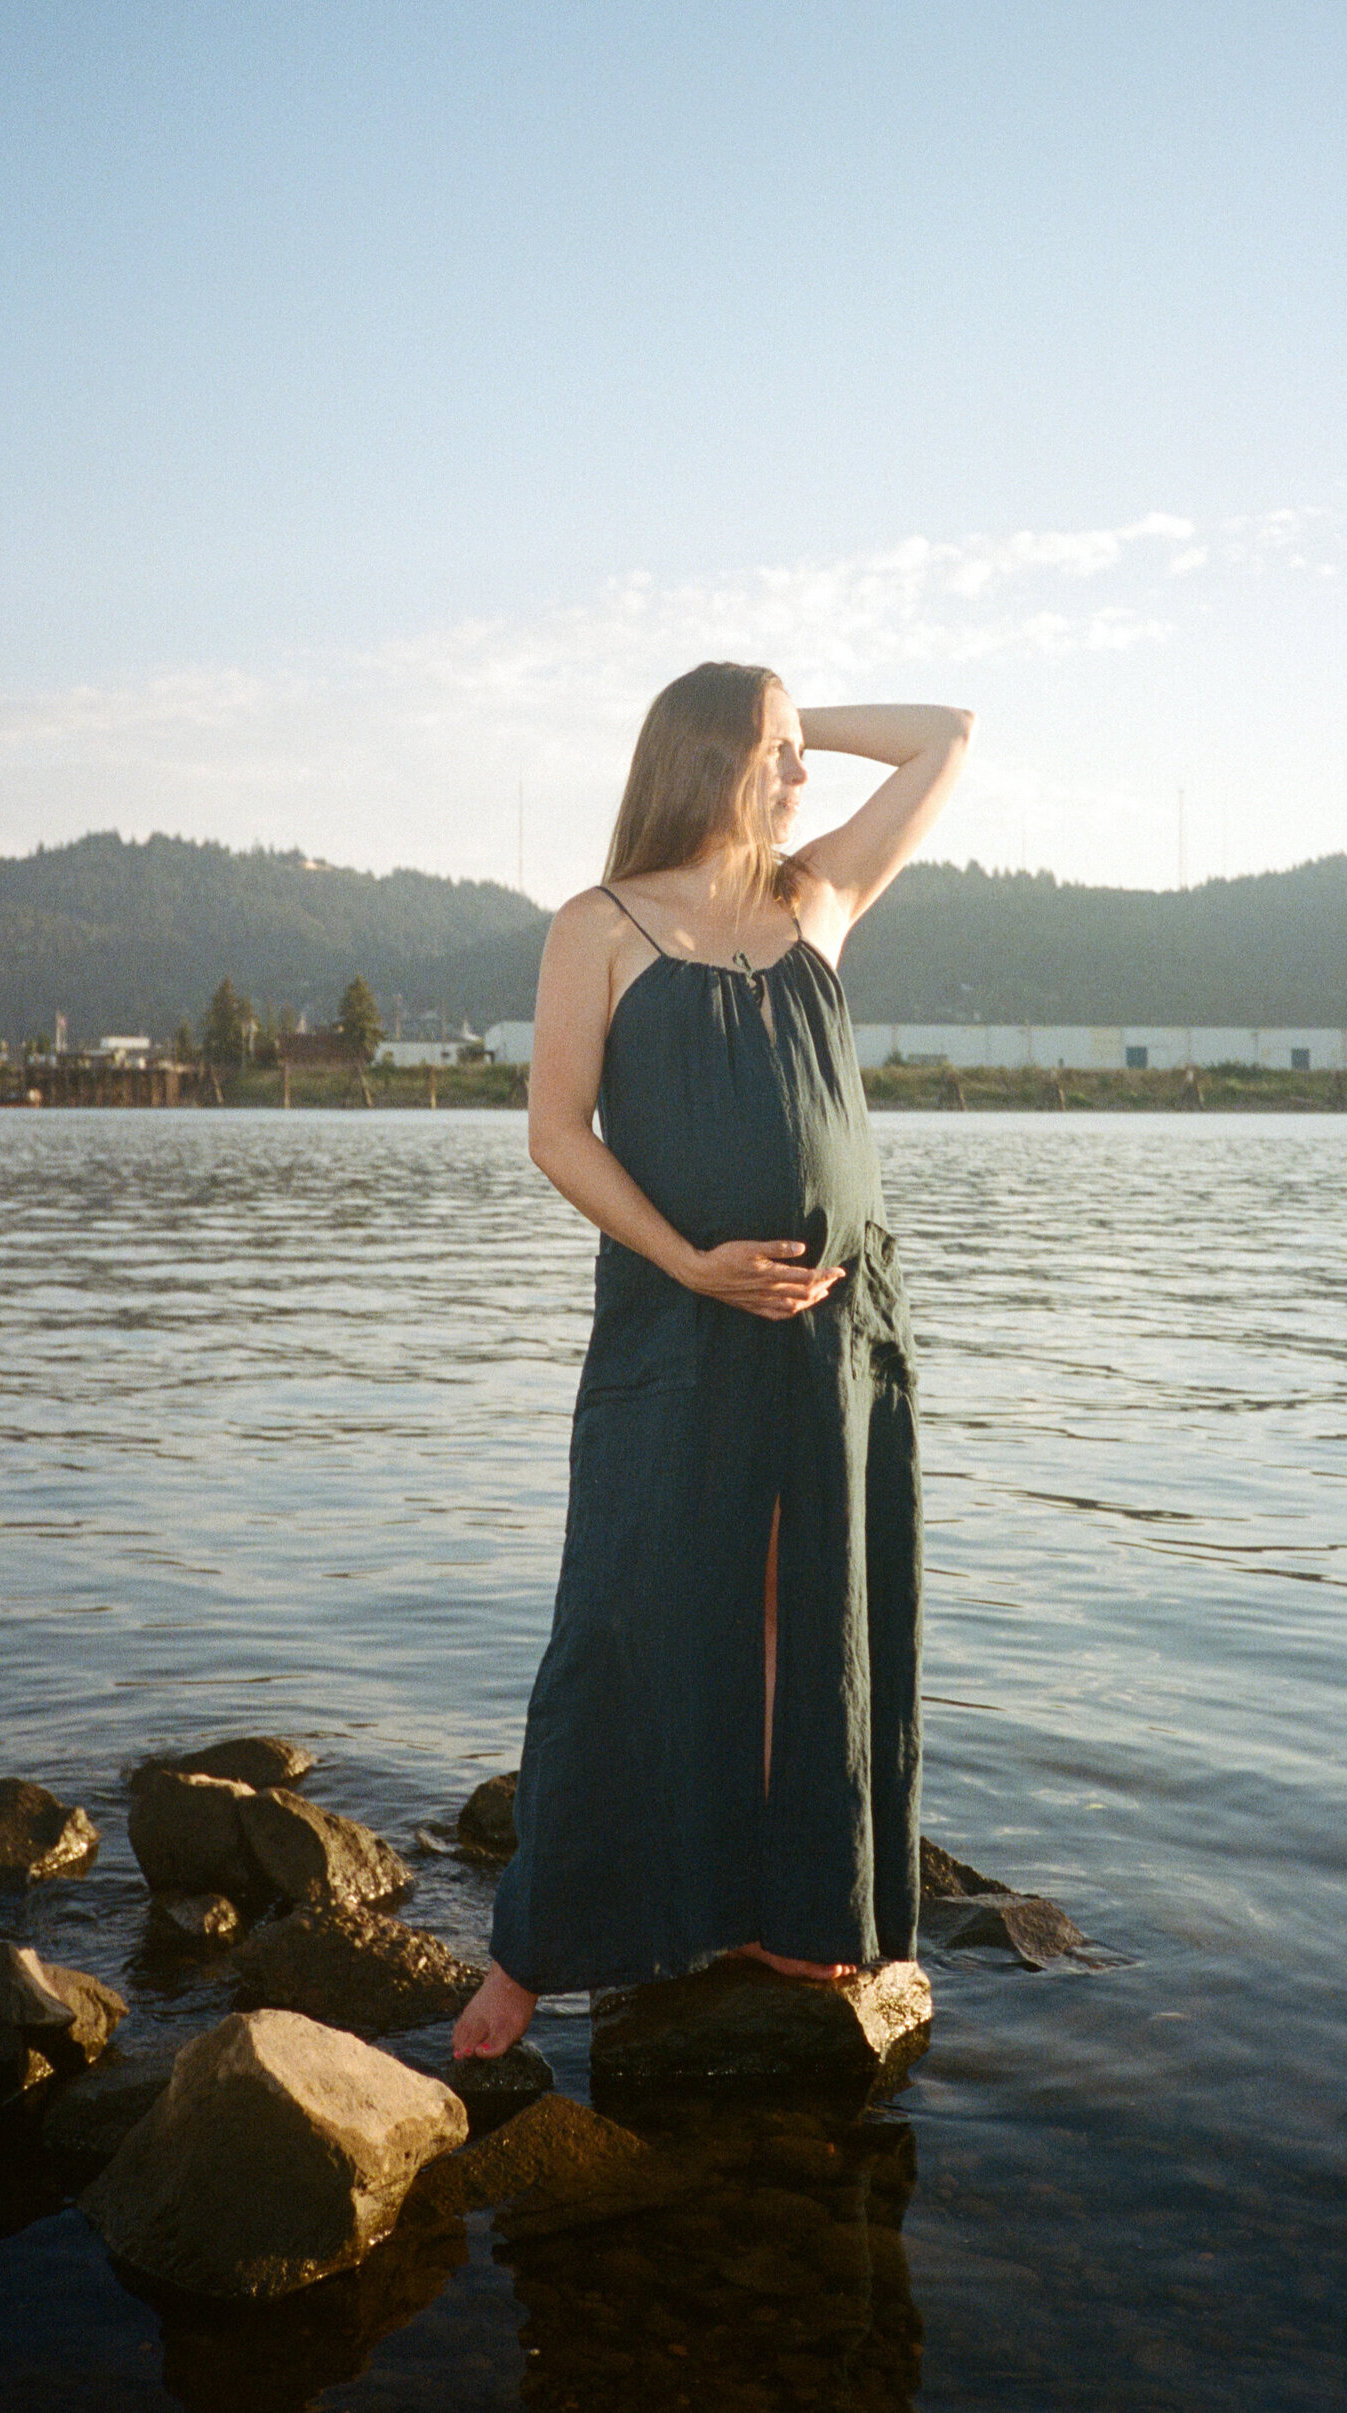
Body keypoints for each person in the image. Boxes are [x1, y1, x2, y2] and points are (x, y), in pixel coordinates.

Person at [452, 663, 974, 2058]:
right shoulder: (601, 925)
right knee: (624, 1608)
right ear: (701, 759)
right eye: (776, 754)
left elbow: (947, 738)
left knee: (810, 1613)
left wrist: (794, 699)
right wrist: (688, 1263)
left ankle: (790, 1908)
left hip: (835, 1328)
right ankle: (534, 1950)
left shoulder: (819, 900)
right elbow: (559, 1131)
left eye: (802, 754)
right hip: (676, 1320)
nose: (803, 777)